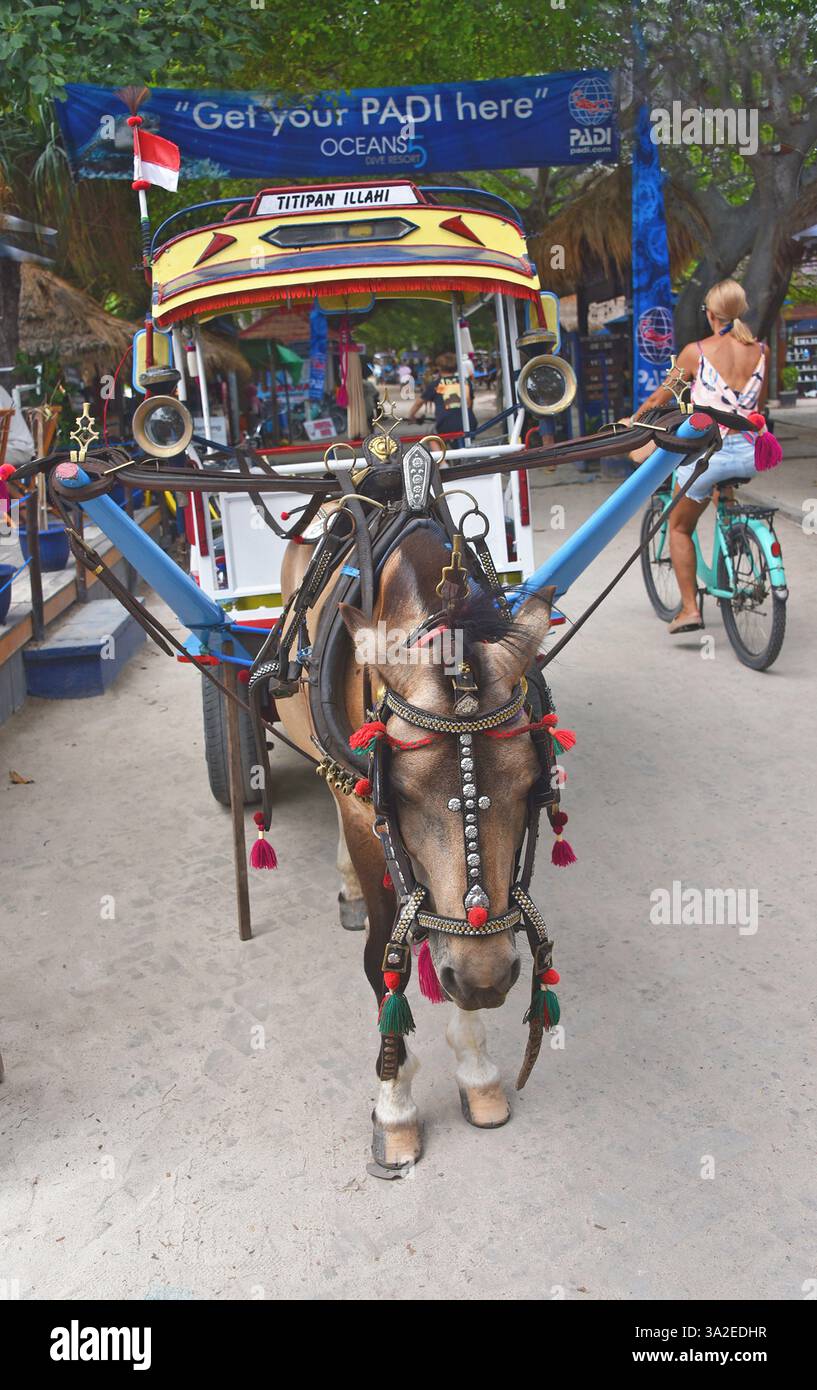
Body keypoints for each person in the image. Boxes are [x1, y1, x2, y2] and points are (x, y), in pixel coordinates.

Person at [631, 279, 770, 634]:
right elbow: (756, 408)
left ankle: (690, 609)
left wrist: (634, 421)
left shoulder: (696, 352)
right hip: (752, 452)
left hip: (714, 454)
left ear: (710, 313)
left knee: (678, 525)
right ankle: (733, 532)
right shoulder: (762, 351)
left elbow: (659, 400)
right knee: (720, 484)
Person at [407, 350, 477, 434]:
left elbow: (419, 403)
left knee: (432, 436)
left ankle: (437, 447)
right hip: (469, 423)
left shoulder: (435, 384)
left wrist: (411, 416)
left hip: (446, 425)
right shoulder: (465, 382)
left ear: (439, 368)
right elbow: (470, 402)